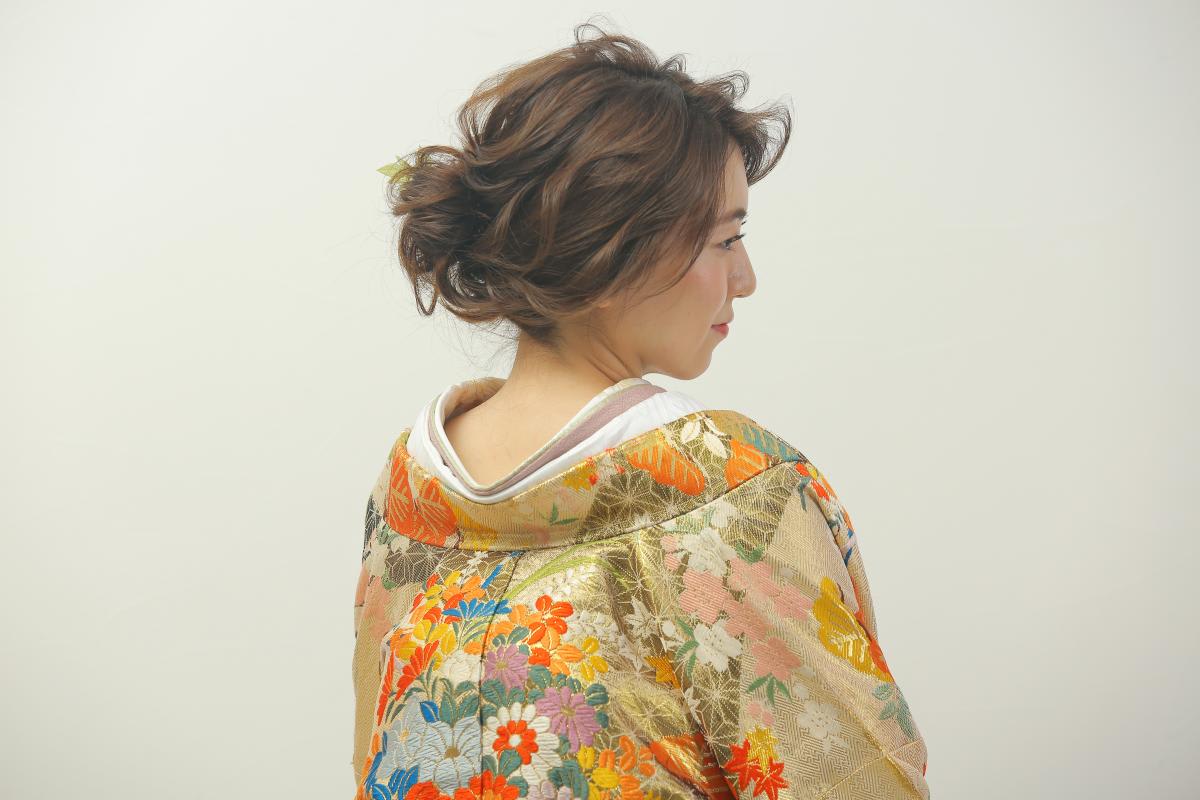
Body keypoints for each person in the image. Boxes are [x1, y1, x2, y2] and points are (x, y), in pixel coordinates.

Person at [352, 21, 930, 800]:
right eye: (725, 240)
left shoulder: (407, 497)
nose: (746, 278)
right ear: (617, 250)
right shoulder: (732, 498)